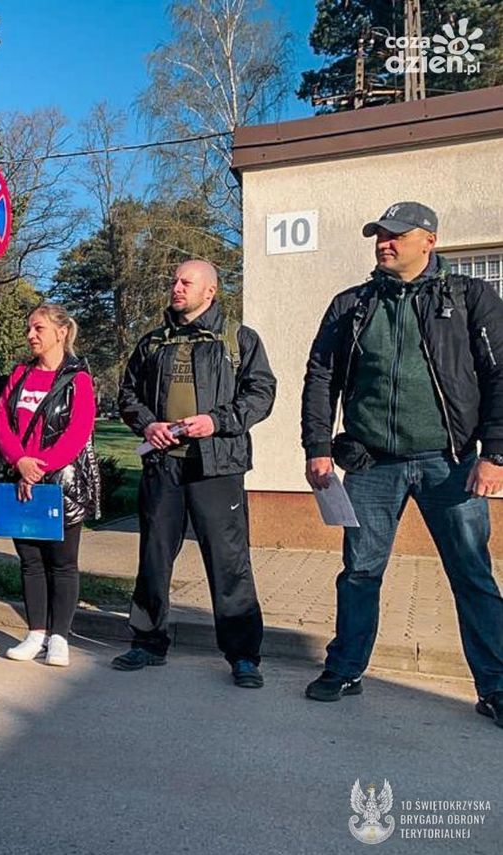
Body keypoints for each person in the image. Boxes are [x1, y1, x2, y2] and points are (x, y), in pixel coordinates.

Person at [301, 202, 503, 725]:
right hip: (372, 466)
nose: (384, 243)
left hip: (451, 463)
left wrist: (496, 453)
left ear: (429, 241)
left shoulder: (469, 298)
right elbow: (320, 378)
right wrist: (317, 447)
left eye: (396, 235)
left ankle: (496, 686)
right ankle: (344, 668)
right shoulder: (352, 305)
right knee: (360, 572)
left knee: (472, 574)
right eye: (379, 235)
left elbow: (501, 376)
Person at [115, 260, 276, 687]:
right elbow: (127, 393)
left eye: (186, 282)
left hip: (217, 465)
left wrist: (218, 421)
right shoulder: (153, 343)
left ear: (211, 291)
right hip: (162, 465)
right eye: (174, 281)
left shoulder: (239, 340)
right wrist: (147, 423)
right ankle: (147, 642)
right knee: (153, 556)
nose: (176, 287)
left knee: (229, 562)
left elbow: (261, 393)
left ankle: (243, 656)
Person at [0, 303, 99, 667]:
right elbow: (0, 420)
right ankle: (35, 632)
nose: (30, 335)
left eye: (38, 328)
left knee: (63, 563)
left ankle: (60, 637)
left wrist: (40, 467)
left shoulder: (78, 379)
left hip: (60, 485)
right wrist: (19, 462)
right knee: (30, 562)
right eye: (29, 329)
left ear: (61, 332)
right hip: (21, 480)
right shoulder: (20, 375)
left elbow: (77, 432)